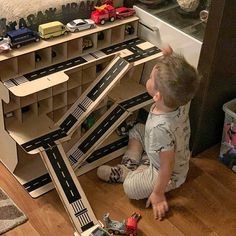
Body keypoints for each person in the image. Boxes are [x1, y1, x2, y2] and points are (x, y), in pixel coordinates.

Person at [97, 46, 200, 220]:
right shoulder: (181, 99)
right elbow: (179, 78)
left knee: (131, 188)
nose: (149, 78)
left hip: (167, 173)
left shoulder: (161, 129)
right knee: (138, 129)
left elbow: (166, 167)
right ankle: (137, 163)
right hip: (167, 151)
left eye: (151, 78)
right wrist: (169, 57)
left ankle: (127, 172)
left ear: (157, 96)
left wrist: (158, 194)